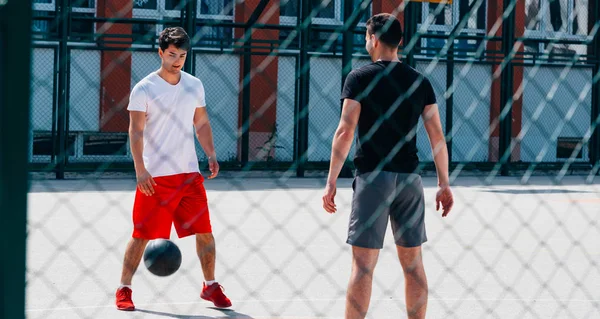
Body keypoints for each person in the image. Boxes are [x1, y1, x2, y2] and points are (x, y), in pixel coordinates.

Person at [322, 13, 454, 319]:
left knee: (363, 266)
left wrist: (331, 181)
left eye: (367, 37)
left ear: (374, 39)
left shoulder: (360, 78)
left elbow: (345, 130)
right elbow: (436, 135)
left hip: (373, 178)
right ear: (400, 42)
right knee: (413, 265)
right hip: (410, 180)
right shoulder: (419, 81)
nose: (366, 42)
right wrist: (444, 183)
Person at [115, 27, 231, 311]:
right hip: (155, 177)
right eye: (171, 54)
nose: (177, 60)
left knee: (205, 232)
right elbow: (136, 131)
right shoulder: (144, 88)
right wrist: (140, 169)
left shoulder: (194, 85)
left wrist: (211, 153)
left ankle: (210, 286)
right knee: (141, 234)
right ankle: (124, 288)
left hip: (189, 175)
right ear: (160, 52)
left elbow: (201, 122)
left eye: (182, 55)